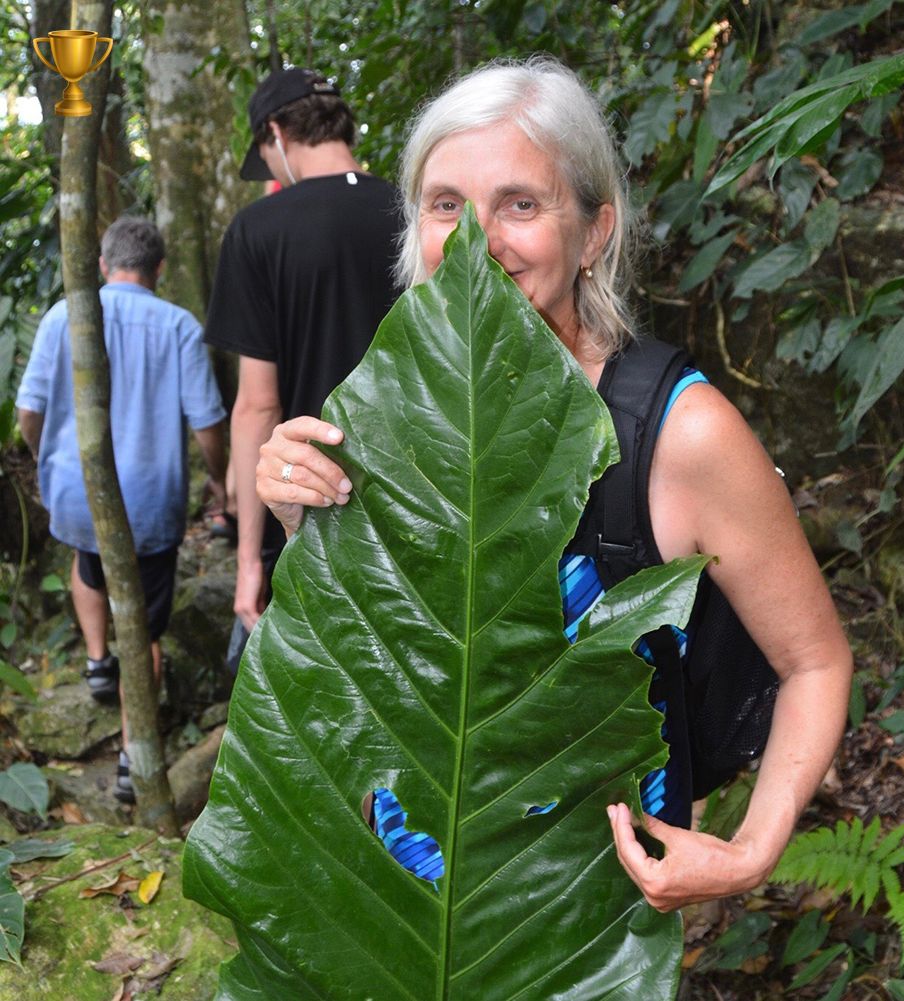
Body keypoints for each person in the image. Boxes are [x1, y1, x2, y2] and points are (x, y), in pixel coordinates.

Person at [251, 58, 853, 911]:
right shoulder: (385, 416)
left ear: (594, 231)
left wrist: (748, 851)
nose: (473, 241)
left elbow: (816, 661)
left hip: (583, 921)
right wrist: (295, 520)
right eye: (445, 204)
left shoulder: (679, 432)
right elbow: (367, 669)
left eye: (520, 205)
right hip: (404, 909)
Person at [16, 215, 227, 803]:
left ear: (104, 265)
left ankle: (95, 660)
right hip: (150, 499)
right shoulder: (177, 324)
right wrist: (217, 479)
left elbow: (28, 411)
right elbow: (206, 420)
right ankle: (136, 761)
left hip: (77, 487)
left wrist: (44, 457)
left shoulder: (62, 314)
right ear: (159, 270)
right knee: (146, 624)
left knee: (89, 561)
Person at [203, 67, 401, 672]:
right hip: (420, 494)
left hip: (309, 501)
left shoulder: (258, 230)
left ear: (276, 134)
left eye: (266, 156)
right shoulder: (418, 209)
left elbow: (257, 405)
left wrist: (249, 563)